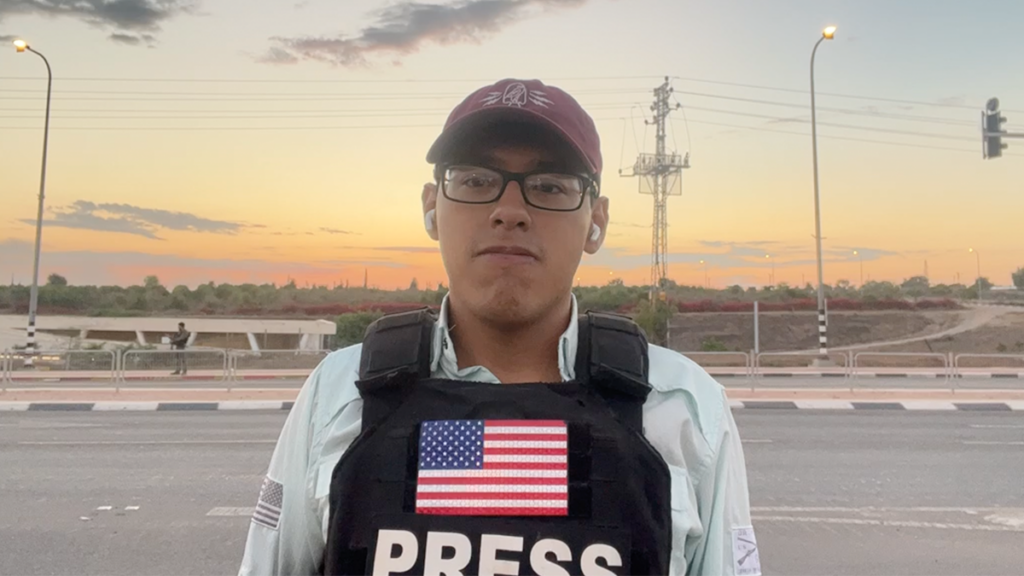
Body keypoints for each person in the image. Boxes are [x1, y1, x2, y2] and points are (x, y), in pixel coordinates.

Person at [239, 78, 757, 576]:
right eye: (475, 181)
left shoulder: (683, 409)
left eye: (550, 186)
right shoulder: (339, 395)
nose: (510, 211)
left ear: (596, 221)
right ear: (431, 208)